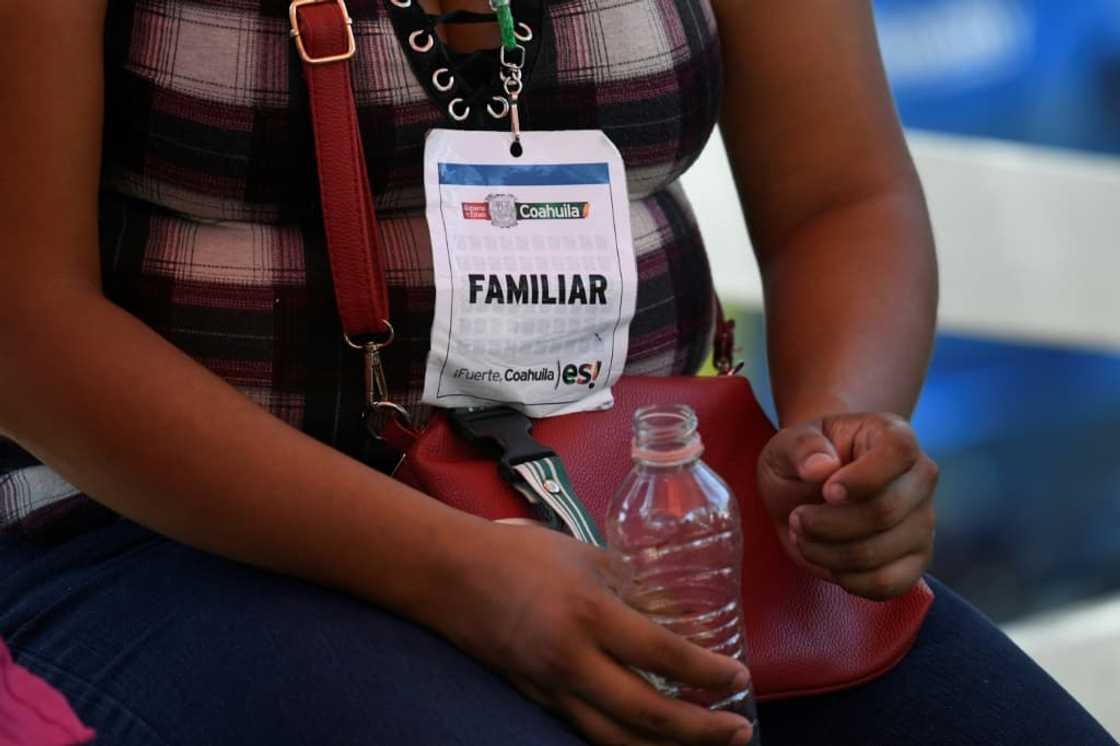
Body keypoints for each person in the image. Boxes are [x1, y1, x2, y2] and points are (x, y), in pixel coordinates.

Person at [0, 1, 1113, 744]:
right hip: (167, 531)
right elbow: (24, 324)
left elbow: (844, 195)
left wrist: (836, 439)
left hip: (631, 511)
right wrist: (455, 568)